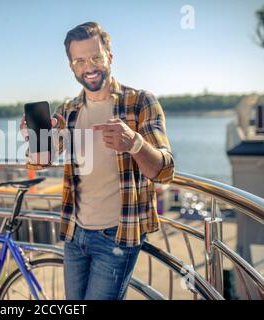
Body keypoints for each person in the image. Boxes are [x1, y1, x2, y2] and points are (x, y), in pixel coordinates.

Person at [20, 22, 175, 300]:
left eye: (96, 57)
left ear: (110, 57)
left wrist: (135, 144)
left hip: (118, 235)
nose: (88, 67)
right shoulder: (67, 110)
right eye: (79, 60)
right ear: (72, 66)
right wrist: (34, 139)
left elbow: (164, 171)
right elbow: (39, 163)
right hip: (74, 232)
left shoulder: (141, 102)